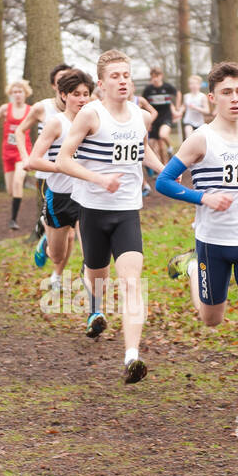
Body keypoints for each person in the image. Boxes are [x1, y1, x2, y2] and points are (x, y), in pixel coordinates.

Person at [156, 61, 238, 427]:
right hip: (213, 242)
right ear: (212, 97)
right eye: (226, 93)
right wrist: (202, 198)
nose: (234, 99)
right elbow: (164, 182)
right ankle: (189, 266)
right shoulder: (201, 139)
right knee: (211, 319)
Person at [56, 50, 164, 383]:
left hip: (127, 211)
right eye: (115, 76)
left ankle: (132, 356)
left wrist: (166, 172)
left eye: (127, 75)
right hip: (91, 209)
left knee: (131, 281)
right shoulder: (90, 114)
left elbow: (142, 149)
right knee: (96, 274)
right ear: (101, 84)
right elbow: (63, 159)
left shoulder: (139, 117)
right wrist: (99, 178)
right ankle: (93, 299)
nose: (122, 81)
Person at [22, 68, 94, 290]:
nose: (81, 99)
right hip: (59, 196)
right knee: (57, 255)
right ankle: (46, 234)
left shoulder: (95, 122)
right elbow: (34, 160)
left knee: (90, 249)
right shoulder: (56, 123)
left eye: (85, 94)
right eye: (76, 94)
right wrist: (61, 167)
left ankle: (90, 279)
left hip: (86, 195)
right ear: (64, 95)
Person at [12, 64, 71, 266]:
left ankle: (60, 271)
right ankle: (47, 241)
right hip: (46, 174)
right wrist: (25, 157)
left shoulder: (82, 108)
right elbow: (19, 131)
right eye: (61, 80)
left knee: (71, 233)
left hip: (74, 174)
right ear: (55, 86)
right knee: (63, 230)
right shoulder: (41, 108)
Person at [0, 79, 32, 231]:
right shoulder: (5, 108)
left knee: (18, 182)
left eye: (20, 92)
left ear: (25, 93)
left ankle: (13, 219)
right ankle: (16, 202)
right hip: (7, 153)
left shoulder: (31, 110)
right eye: (14, 92)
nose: (17, 95)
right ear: (10, 94)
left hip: (23, 152)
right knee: (10, 190)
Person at [142, 66, 181, 165]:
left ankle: (170, 147)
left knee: (163, 135)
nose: (155, 79)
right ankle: (164, 166)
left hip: (166, 116)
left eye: (157, 76)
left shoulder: (167, 87)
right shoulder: (148, 90)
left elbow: (178, 93)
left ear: (161, 76)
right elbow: (143, 104)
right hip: (154, 118)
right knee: (158, 146)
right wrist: (148, 120)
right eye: (153, 76)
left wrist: (177, 107)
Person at [182, 74, 208, 139]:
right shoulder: (186, 96)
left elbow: (207, 111)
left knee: (198, 141)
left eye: (196, 84)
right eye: (191, 84)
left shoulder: (202, 96)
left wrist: (195, 108)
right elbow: (184, 107)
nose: (194, 86)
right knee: (189, 136)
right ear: (189, 85)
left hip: (199, 123)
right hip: (188, 121)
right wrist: (177, 113)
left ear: (199, 85)